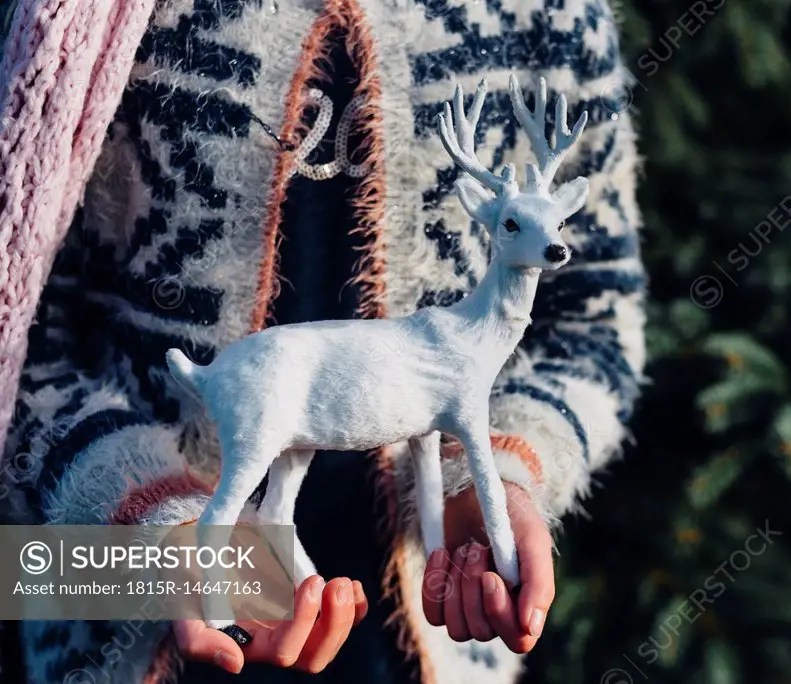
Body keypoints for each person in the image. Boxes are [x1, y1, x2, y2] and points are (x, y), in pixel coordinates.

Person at [0, 0, 645, 681]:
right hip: (116, 615)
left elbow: (592, 323)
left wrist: (504, 479)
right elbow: (19, 343)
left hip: (432, 645)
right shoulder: (69, 16)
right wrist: (155, 525)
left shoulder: (550, 14)